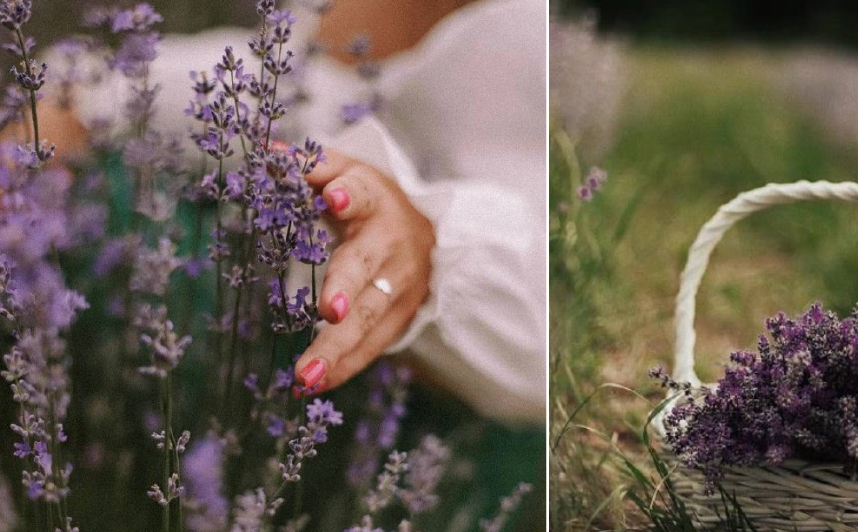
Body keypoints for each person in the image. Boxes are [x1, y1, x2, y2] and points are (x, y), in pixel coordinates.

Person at [46, 0, 547, 425]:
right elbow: (286, 80)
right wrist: (82, 99)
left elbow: (547, 327)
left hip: (451, 425)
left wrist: (428, 246)